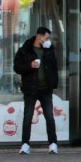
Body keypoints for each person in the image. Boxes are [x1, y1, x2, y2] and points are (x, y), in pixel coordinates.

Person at [14, 26, 60, 155]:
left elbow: (54, 67)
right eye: (46, 38)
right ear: (39, 37)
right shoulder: (25, 49)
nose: (48, 40)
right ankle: (25, 144)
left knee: (49, 117)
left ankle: (53, 144)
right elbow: (17, 67)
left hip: (46, 89)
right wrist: (30, 65)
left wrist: (54, 83)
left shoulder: (49, 50)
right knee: (28, 116)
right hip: (30, 89)